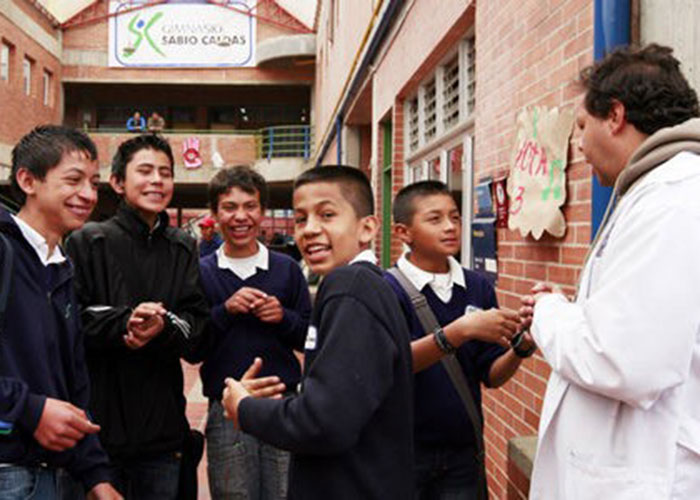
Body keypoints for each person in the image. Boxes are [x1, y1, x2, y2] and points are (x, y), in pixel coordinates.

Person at [519, 44, 700, 499]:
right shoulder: (658, 191)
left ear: (615, 116)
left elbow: (622, 361)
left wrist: (547, 311)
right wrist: (575, 309)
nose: (578, 144)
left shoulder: (674, 198)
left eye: (582, 126)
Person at [221, 165, 415, 499]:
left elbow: (324, 422)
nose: (309, 230)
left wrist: (245, 408)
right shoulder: (365, 285)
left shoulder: (350, 286)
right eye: (300, 219)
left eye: (327, 214)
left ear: (367, 227)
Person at [65, 134, 210, 499]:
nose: (157, 180)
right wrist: (124, 322)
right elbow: (69, 322)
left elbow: (197, 328)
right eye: (145, 171)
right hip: (97, 434)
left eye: (165, 173)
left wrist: (162, 327)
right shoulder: (88, 241)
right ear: (117, 182)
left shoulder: (182, 246)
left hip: (163, 436)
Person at [385, 180, 529, 499]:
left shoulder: (477, 286)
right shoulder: (385, 289)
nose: (450, 227)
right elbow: (390, 364)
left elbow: (490, 375)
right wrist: (460, 331)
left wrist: (521, 348)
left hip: (462, 453)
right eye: (435, 219)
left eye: (455, 217)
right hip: (401, 452)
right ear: (403, 233)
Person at [0, 125, 121, 499]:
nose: (88, 194)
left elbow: (72, 383)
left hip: (50, 476)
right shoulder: (4, 252)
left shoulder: (61, 268)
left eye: (94, 183)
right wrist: (29, 410)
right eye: (73, 180)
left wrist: (97, 476)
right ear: (28, 180)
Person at [196, 166, 311, 499]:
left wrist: (283, 318)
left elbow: (309, 337)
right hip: (226, 407)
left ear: (262, 212)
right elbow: (193, 346)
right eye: (229, 207)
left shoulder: (286, 269)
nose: (240, 216)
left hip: (282, 405)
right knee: (234, 494)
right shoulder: (201, 273)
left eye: (250, 206)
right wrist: (225, 311)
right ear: (215, 213)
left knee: (286, 492)